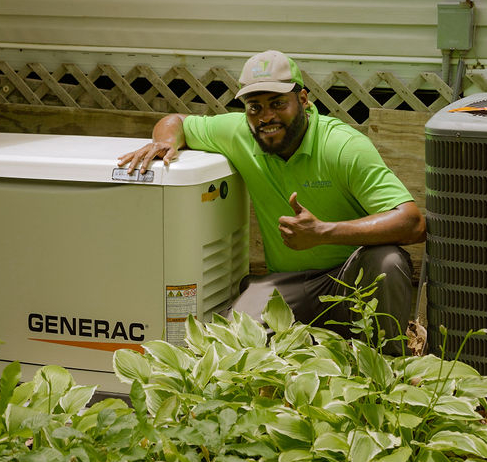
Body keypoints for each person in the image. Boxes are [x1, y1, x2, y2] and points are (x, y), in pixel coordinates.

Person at [118, 50, 425, 346]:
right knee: (231, 340)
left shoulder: (343, 147)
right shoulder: (239, 133)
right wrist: (163, 142)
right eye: (255, 107)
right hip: (290, 283)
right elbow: (177, 121)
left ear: (302, 100)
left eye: (278, 103)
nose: (267, 116)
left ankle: (386, 364)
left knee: (388, 260)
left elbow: (411, 222)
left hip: (351, 279)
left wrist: (323, 233)